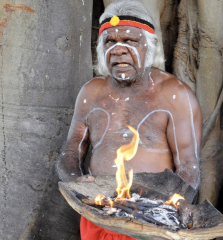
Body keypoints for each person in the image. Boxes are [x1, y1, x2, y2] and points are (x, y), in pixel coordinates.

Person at [56, 1, 202, 239]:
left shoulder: (175, 96)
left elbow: (188, 165)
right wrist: (78, 184)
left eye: (130, 41)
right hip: (98, 214)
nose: (119, 50)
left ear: (148, 46)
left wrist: (173, 205)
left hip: (152, 219)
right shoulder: (91, 93)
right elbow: (70, 153)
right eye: (110, 42)